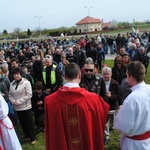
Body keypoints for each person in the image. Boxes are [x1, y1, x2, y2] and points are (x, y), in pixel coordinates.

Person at [45, 63, 110, 150]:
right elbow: (104, 116)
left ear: (64, 76)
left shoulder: (50, 101)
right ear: (80, 75)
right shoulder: (94, 100)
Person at [114, 61, 150, 150]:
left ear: (131, 77)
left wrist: (121, 112)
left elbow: (122, 127)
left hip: (135, 144)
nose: (126, 78)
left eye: (127, 76)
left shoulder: (132, 99)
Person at [9, 67, 36, 144]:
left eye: (17, 74)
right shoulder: (12, 84)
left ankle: (32, 137)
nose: (16, 76)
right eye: (14, 74)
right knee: (22, 122)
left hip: (25, 106)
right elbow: (10, 94)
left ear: (20, 74)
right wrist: (13, 101)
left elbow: (29, 94)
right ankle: (26, 135)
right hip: (17, 107)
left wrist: (19, 101)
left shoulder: (26, 82)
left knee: (29, 122)